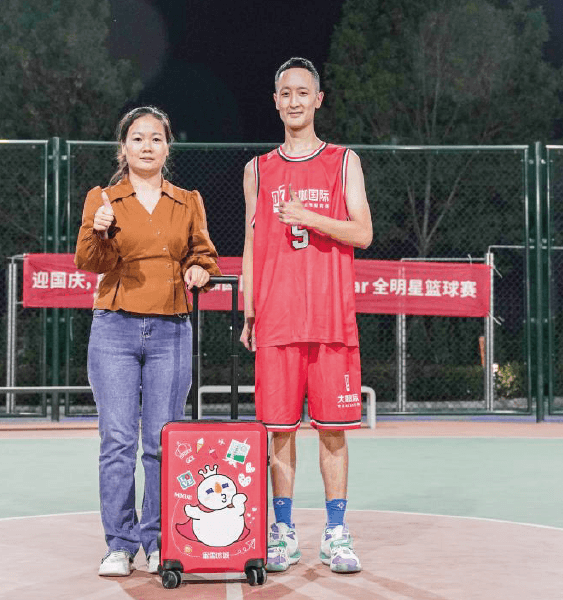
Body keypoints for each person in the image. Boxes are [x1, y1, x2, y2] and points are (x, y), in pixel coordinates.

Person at [239, 57, 373, 574]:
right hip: (277, 318)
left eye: (303, 92)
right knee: (280, 432)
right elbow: (251, 243)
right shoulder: (257, 169)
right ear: (275, 102)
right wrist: (250, 311)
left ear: (318, 99)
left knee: (333, 432)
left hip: (330, 316)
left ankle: (336, 534)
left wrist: (308, 216)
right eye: (285, 93)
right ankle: (284, 532)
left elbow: (362, 233)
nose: (294, 100)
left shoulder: (343, 161)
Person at [75, 105, 220, 577]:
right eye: (137, 138)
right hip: (114, 328)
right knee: (118, 441)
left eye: (156, 138)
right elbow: (89, 261)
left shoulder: (188, 201)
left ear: (167, 148)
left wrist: (199, 270)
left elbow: (204, 255)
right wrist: (98, 231)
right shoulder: (103, 198)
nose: (147, 146)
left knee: (162, 440)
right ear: (124, 148)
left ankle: (159, 541)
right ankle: (119, 545)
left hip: (171, 330)